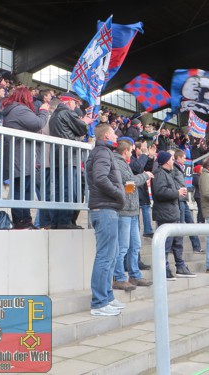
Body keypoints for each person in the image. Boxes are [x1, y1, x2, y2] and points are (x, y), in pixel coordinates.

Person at [86, 123, 126, 316]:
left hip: (107, 208)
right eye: (112, 133)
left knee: (111, 255)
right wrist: (119, 193)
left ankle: (107, 297)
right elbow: (101, 178)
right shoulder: (102, 152)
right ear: (104, 136)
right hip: (104, 209)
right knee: (105, 257)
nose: (115, 136)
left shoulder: (103, 152)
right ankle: (99, 303)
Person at [1, 87, 49, 229]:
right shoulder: (20, 110)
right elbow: (38, 124)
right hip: (20, 156)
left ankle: (24, 220)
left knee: (23, 188)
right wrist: (44, 111)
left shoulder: (13, 110)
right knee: (22, 188)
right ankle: (21, 220)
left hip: (19, 155)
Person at [113, 139, 153, 290]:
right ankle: (119, 277)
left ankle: (134, 275)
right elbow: (131, 180)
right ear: (125, 151)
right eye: (130, 151)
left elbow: (129, 185)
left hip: (132, 211)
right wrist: (145, 175)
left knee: (135, 245)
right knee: (123, 246)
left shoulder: (125, 164)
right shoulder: (118, 163)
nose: (131, 153)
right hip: (124, 212)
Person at [48, 92, 91, 229]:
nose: (76, 106)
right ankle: (66, 221)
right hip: (68, 157)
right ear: (69, 102)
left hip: (59, 157)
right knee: (69, 190)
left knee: (60, 191)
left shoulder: (55, 115)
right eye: (75, 103)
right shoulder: (66, 112)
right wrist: (86, 121)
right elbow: (82, 128)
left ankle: (58, 221)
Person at [152, 151, 196, 280]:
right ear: (166, 161)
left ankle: (180, 267)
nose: (173, 161)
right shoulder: (160, 173)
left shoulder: (167, 173)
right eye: (171, 159)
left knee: (177, 242)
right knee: (165, 245)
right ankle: (163, 270)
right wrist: (177, 192)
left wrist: (177, 192)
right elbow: (159, 192)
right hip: (165, 214)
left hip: (172, 212)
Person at [173, 149, 202, 253]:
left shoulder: (179, 168)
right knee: (180, 225)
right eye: (184, 157)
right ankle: (177, 248)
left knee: (191, 223)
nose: (185, 159)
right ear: (178, 158)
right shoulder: (174, 168)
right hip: (179, 199)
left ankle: (197, 247)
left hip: (183, 200)